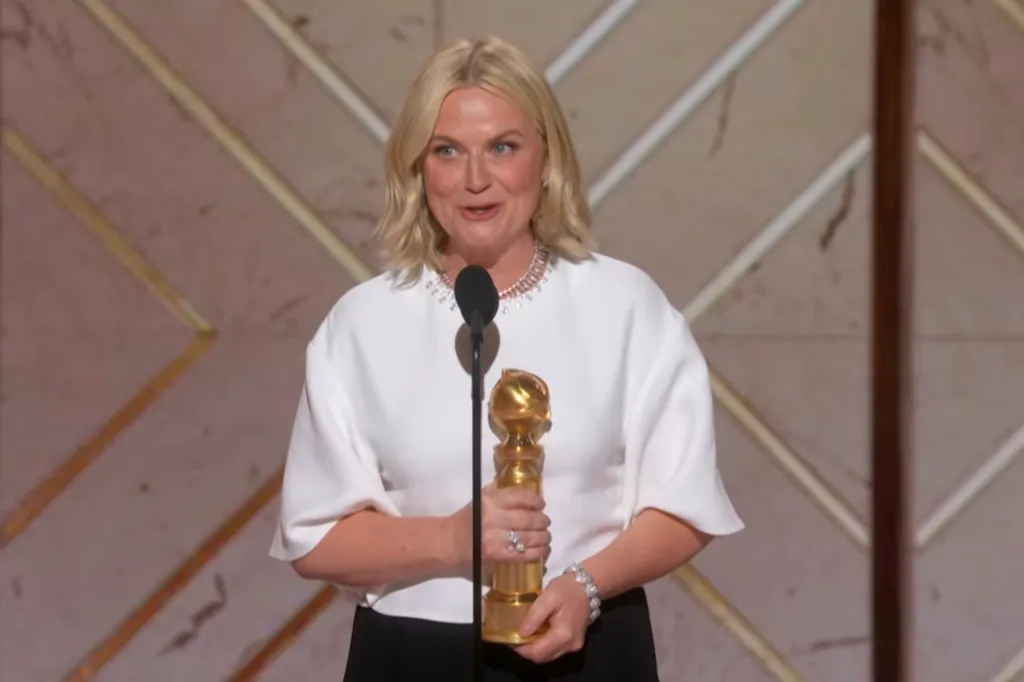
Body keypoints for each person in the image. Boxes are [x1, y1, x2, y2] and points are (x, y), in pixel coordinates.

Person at [269, 35, 745, 681]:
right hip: (412, 656)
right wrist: (453, 538)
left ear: (545, 158)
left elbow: (685, 506)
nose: (475, 179)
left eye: (502, 147)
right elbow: (315, 537)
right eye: (447, 151)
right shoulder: (362, 323)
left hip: (586, 643)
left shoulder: (624, 305)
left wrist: (585, 585)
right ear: (418, 168)